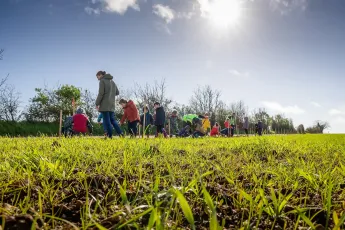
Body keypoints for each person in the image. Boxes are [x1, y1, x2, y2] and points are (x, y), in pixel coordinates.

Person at [95, 70, 123, 138]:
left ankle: (109, 136)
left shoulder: (102, 81)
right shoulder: (112, 82)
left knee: (107, 121)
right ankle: (121, 134)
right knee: (112, 120)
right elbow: (117, 92)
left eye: (97, 77)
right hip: (112, 104)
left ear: (100, 75)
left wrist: (97, 103)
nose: (97, 79)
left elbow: (101, 93)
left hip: (105, 104)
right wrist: (111, 93)